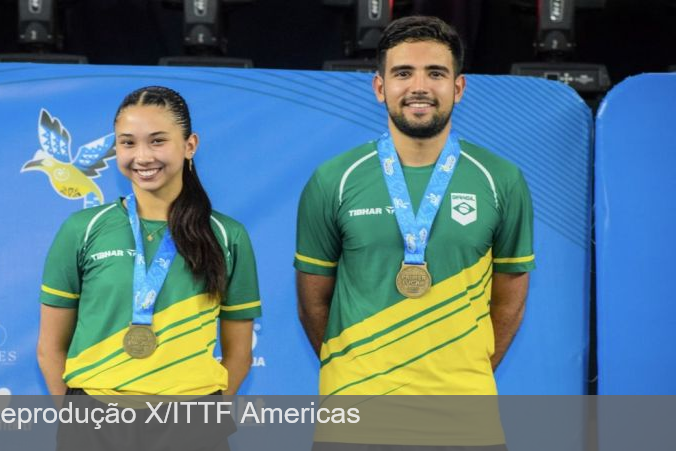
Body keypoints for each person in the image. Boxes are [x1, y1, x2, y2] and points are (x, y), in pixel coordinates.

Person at [295, 16, 534, 445]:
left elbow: (511, 295)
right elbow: (314, 302)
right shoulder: (334, 179)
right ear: (379, 87)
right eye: (403, 73)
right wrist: (353, 372)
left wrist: (462, 370)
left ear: (457, 89)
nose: (419, 87)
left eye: (436, 73)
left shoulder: (502, 179)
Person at [36, 86, 261, 449]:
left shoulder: (226, 235)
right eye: (128, 143)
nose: (142, 156)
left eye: (157, 141)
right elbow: (49, 348)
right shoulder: (83, 229)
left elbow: (239, 353)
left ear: (190, 146)